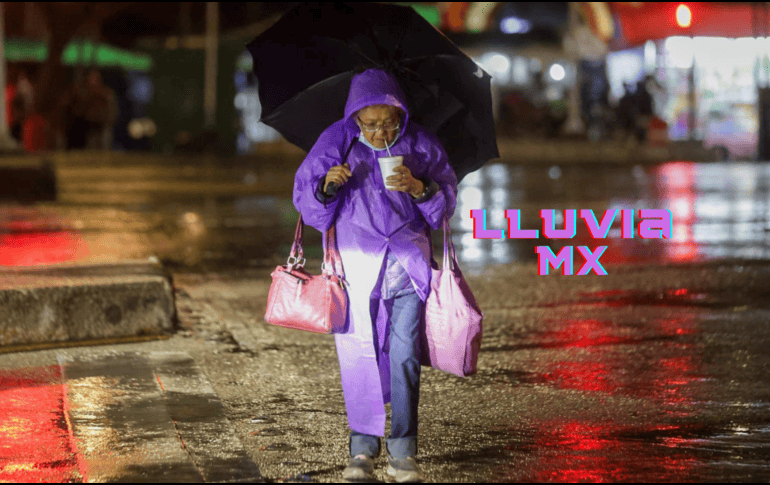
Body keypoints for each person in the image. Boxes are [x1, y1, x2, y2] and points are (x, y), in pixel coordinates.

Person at [293, 68, 457, 482]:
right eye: (370, 123)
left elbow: (445, 205)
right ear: (355, 117)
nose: (381, 131)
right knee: (357, 354)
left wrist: (420, 189)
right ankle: (362, 449)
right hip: (355, 268)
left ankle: (403, 453)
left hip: (407, 267)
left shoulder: (420, 143)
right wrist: (327, 187)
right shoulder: (337, 142)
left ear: (401, 114)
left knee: (405, 358)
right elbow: (308, 205)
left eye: (389, 122)